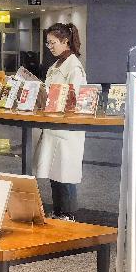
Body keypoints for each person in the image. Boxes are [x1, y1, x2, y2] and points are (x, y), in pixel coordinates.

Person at [34, 22, 87, 220]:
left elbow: (75, 98)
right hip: (53, 127)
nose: (50, 47)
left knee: (65, 175)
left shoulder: (74, 67)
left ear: (65, 41)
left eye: (52, 43)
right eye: (47, 43)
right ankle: (58, 212)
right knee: (55, 173)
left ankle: (68, 214)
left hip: (66, 130)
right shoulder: (55, 66)